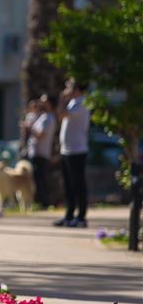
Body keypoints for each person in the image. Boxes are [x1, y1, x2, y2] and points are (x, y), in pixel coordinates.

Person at [54, 79, 90, 227]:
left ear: (77, 89)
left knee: (78, 184)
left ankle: (81, 217)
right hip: (67, 150)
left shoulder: (81, 103)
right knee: (68, 184)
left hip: (77, 151)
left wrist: (62, 99)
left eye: (69, 87)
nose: (66, 89)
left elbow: (61, 114)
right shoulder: (73, 103)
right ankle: (69, 215)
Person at [27, 95, 56, 208]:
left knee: (41, 179)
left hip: (41, 153)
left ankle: (44, 203)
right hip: (37, 152)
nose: (40, 102)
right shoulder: (43, 117)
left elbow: (40, 135)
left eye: (43, 101)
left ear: (49, 104)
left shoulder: (48, 118)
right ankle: (41, 202)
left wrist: (30, 129)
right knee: (38, 179)